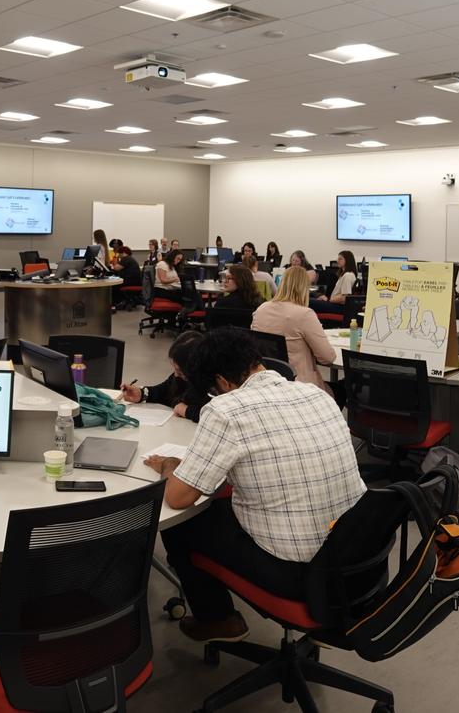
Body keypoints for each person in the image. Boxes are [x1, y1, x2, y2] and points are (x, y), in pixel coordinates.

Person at [147, 328, 365, 642]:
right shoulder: (316, 394)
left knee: (183, 524)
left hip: (298, 572)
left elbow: (178, 497)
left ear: (222, 382)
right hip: (353, 553)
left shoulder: (225, 410)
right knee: (222, 507)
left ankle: (218, 619)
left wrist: (169, 465)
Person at [251, 266, 337, 388]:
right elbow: (327, 358)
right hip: (300, 387)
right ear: (305, 288)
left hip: (267, 384)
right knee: (342, 389)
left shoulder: (261, 310)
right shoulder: (304, 314)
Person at [121, 330, 209, 420]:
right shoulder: (181, 378)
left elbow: (212, 415)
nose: (176, 375)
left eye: (180, 371)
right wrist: (142, 394)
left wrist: (186, 411)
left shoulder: (211, 388)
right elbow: (165, 390)